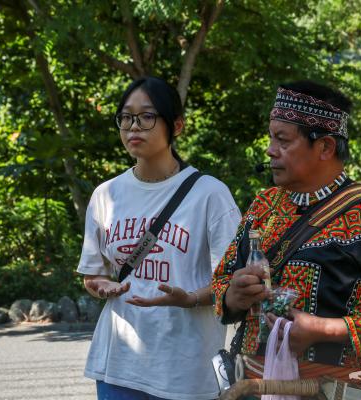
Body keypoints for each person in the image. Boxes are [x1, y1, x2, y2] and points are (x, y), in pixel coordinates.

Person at [212, 80, 361, 383]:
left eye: (283, 140)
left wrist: (322, 329)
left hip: (334, 390)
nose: (270, 150)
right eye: (270, 138)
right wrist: (231, 297)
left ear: (325, 147)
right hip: (252, 387)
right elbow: (221, 281)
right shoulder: (263, 207)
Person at [77, 76, 241, 400]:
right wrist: (100, 286)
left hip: (185, 370)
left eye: (147, 116)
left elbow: (234, 282)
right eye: (125, 117)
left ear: (176, 125)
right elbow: (92, 273)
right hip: (117, 366)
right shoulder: (106, 194)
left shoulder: (210, 195)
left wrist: (192, 298)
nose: (133, 126)